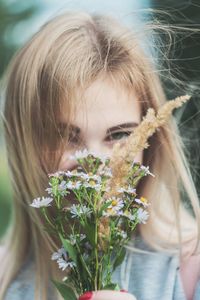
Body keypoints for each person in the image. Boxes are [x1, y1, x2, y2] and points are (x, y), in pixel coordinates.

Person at [0, 10, 199, 300]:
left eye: (119, 135)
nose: (94, 164)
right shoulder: (5, 279)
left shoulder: (189, 268)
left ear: (151, 142)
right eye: (64, 136)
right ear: (23, 145)